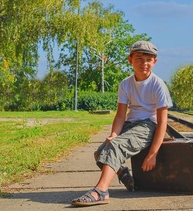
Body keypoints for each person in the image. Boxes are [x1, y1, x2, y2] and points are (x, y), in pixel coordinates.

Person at [71, 40, 173, 206]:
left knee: (115, 148)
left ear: (155, 62)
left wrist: (152, 154)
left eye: (148, 59)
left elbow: (162, 122)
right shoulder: (125, 84)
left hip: (149, 125)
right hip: (131, 123)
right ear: (130, 60)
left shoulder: (158, 85)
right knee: (100, 152)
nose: (144, 63)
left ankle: (101, 191)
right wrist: (114, 134)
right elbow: (120, 116)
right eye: (139, 58)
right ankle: (123, 173)